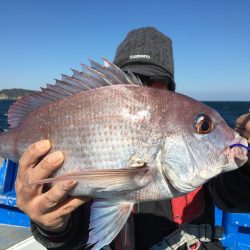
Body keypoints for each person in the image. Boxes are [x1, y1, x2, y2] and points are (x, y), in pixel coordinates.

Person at [15, 27, 250, 250]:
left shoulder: (204, 166)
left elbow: (235, 193)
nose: (141, 92)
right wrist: (52, 226)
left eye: (155, 84)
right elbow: (75, 236)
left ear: (170, 90)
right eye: (130, 79)